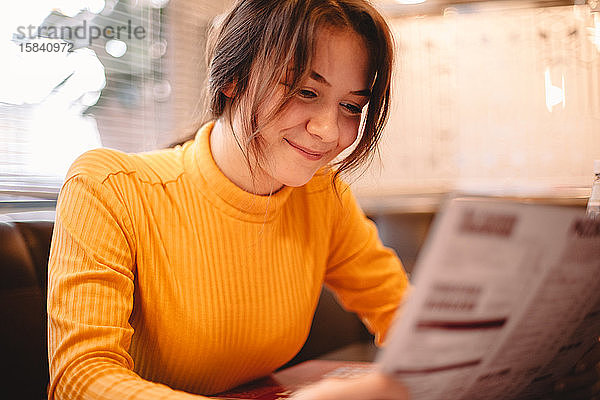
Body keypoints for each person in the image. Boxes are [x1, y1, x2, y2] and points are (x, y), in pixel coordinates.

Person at [47, 0, 411, 399]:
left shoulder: (322, 196)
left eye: (350, 106)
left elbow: (403, 315)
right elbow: (80, 379)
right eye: (306, 91)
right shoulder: (109, 187)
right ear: (232, 77)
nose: (328, 131)